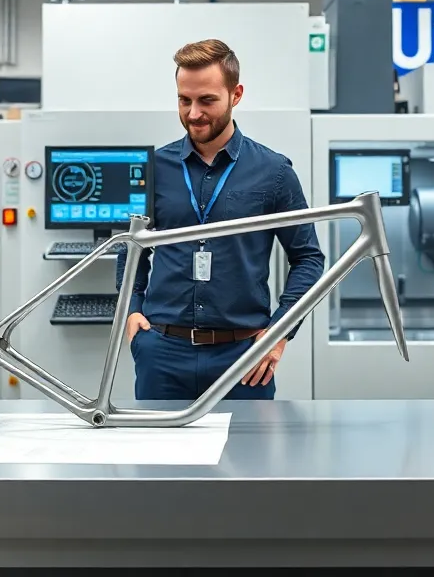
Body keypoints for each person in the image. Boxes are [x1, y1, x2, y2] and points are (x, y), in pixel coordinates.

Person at [116, 38, 325, 400]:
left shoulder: (274, 172)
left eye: (207, 100)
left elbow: (308, 258)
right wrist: (131, 313)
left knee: (246, 457)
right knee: (156, 458)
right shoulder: (154, 168)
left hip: (243, 358)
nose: (194, 113)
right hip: (162, 354)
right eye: (184, 100)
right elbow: (131, 249)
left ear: (236, 94)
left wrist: (280, 332)